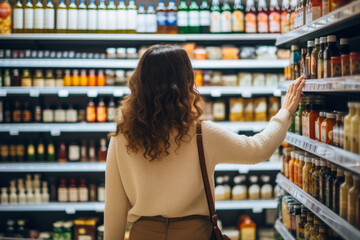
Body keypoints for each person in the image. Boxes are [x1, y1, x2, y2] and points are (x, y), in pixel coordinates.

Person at [105, 44, 305, 240]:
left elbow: (114, 208)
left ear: (139, 83)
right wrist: (285, 112)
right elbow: (258, 149)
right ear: (186, 83)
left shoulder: (121, 137)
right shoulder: (201, 134)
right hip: (194, 233)